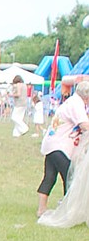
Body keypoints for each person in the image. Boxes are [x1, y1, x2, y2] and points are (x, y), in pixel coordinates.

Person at [38, 79, 89, 226]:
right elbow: (84, 124)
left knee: (50, 177)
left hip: (51, 143)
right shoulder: (76, 104)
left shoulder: (71, 102)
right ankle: (69, 210)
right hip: (60, 146)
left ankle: (41, 209)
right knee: (70, 177)